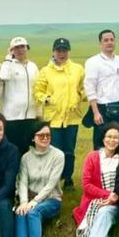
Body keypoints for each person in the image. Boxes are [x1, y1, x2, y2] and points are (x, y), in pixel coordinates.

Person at [14, 121, 65, 237]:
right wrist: (23, 202)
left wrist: (34, 202)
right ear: (33, 138)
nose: (45, 138)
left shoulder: (58, 155)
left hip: (51, 198)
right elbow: (22, 181)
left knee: (33, 211)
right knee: (21, 211)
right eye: (41, 135)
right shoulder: (26, 158)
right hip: (29, 198)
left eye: (48, 135)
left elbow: (51, 184)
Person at [35, 38, 85, 190]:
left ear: (68, 51)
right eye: (59, 50)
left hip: (71, 117)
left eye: (64, 50)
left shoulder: (78, 69)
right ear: (53, 52)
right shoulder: (45, 71)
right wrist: (47, 99)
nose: (61, 53)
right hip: (54, 117)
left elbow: (83, 88)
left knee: (69, 150)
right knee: (55, 150)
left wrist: (80, 96)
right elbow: (38, 90)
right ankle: (54, 181)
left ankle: (68, 178)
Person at [74, 123, 119, 237]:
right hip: (92, 202)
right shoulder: (93, 157)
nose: (112, 140)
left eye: (116, 137)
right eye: (109, 136)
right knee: (100, 212)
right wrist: (109, 194)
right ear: (103, 139)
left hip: (115, 204)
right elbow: (87, 185)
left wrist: (114, 198)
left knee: (104, 212)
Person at [84, 29, 119, 150]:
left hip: (117, 106)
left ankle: (114, 168)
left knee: (116, 142)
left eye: (112, 40)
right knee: (101, 143)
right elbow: (90, 87)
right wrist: (95, 112)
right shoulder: (93, 62)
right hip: (102, 107)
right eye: (106, 40)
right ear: (100, 43)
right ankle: (99, 168)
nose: (109, 43)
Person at [0, 36, 39, 161]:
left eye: (23, 47)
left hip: (30, 115)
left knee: (25, 149)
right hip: (12, 116)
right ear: (11, 50)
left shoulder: (33, 66)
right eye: (16, 48)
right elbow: (3, 76)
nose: (20, 50)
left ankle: (23, 177)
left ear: (27, 48)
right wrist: (8, 58)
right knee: (12, 149)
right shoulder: (8, 65)